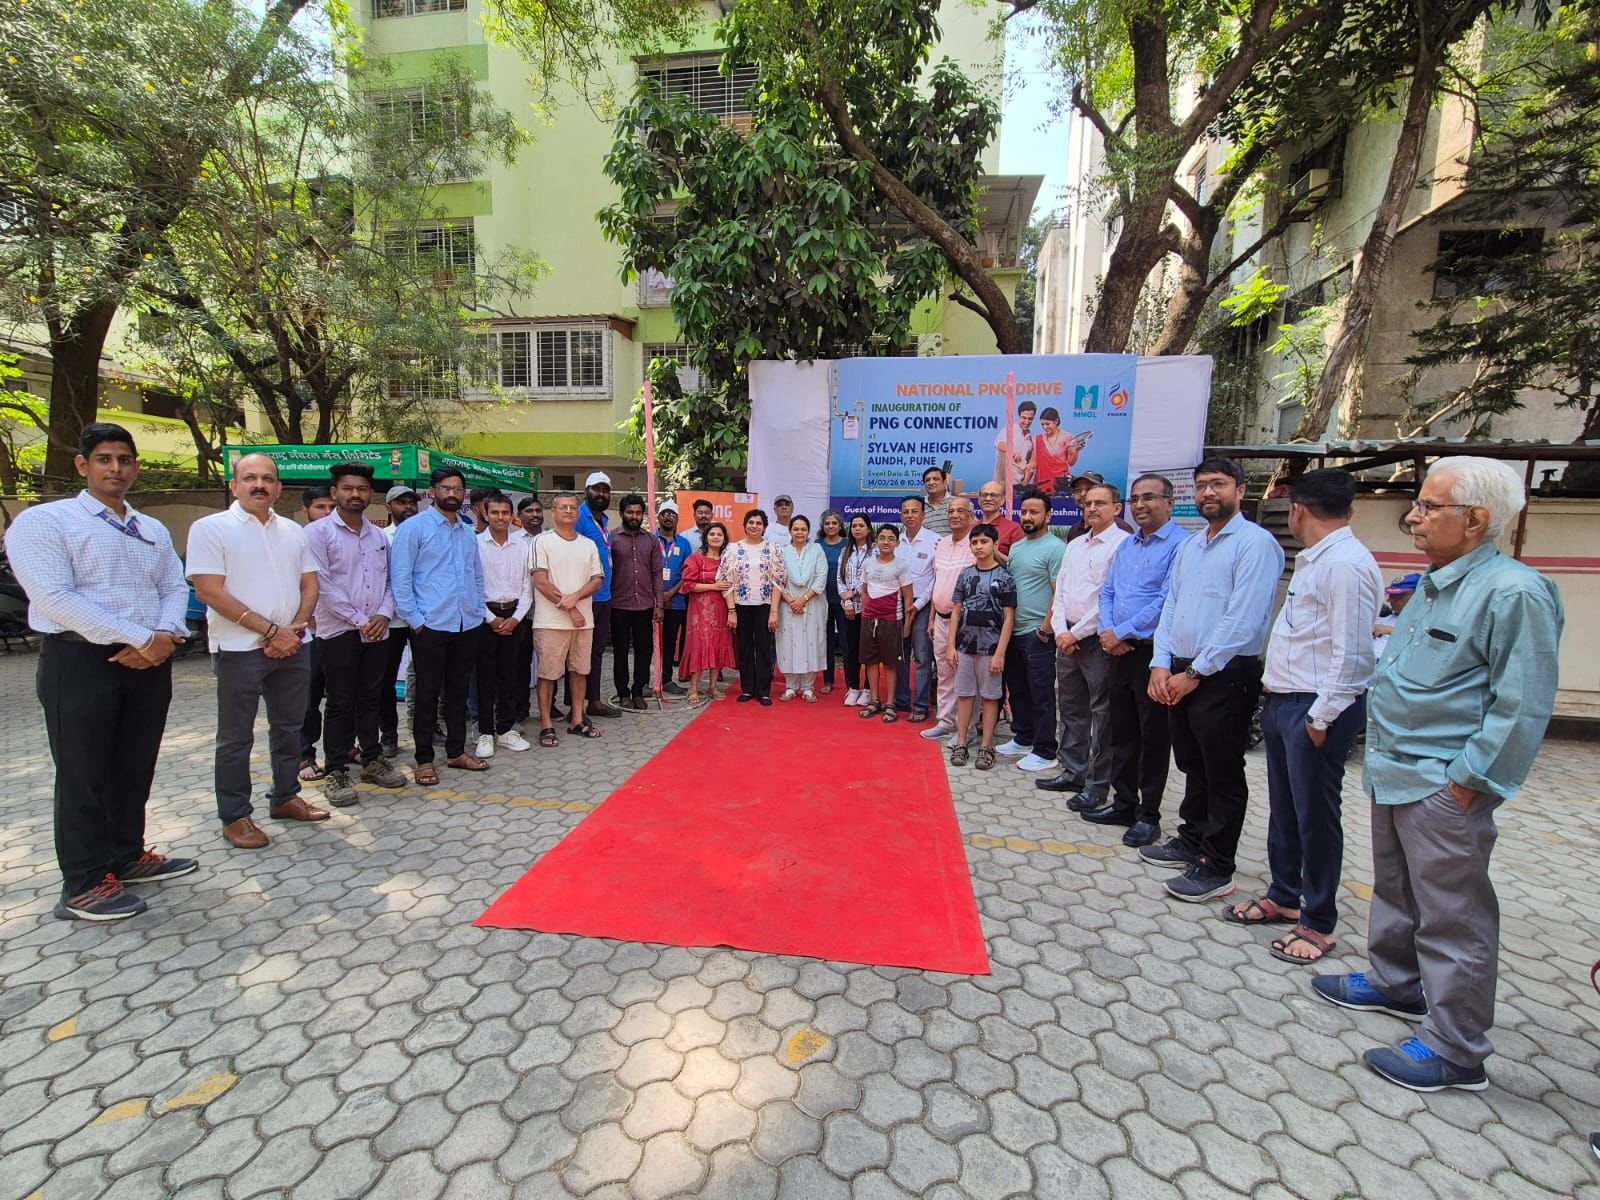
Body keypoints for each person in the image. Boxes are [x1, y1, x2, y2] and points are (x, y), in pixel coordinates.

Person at [1314, 457, 1563, 1093]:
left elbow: (1522, 704)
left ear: (1475, 519)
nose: (1415, 517)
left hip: (1443, 783)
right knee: (1396, 890)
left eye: (1429, 506)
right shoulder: (1435, 582)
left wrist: (1467, 782)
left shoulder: (1513, 592)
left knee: (1454, 916)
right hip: (1395, 768)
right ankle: (1396, 984)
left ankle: (1456, 1050)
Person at [7, 422, 195, 920]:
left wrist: (163, 635)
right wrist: (142, 638)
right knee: (83, 773)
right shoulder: (47, 522)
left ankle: (126, 854)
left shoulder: (150, 528)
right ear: (82, 465)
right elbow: (54, 597)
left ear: (136, 467)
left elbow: (173, 587)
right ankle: (83, 883)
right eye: (104, 459)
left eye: (124, 460)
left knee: (134, 765)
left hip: (150, 661)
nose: (116, 469)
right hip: (80, 661)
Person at [1226, 469, 1382, 964]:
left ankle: (1318, 922)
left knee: (1315, 816)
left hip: (1316, 706)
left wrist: (1322, 717)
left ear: (1297, 510)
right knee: (1287, 809)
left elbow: (1354, 653)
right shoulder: (1320, 559)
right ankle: (1285, 895)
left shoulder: (1346, 566)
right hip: (1286, 700)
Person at [1146, 456, 1285, 902]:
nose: (1209, 492)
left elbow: (1242, 620)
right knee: (1192, 761)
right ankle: (1191, 839)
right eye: (1202, 484)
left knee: (1222, 770)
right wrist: (1161, 663)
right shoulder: (1191, 546)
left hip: (1225, 673)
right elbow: (1171, 605)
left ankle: (1217, 864)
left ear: (1240, 490)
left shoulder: (1255, 544)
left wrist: (1195, 672)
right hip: (1181, 667)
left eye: (1219, 484)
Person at [188, 453, 324, 850]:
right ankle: (235, 816)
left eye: (267, 479)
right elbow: (209, 591)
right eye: (250, 478)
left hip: (294, 645)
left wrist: (294, 628)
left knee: (289, 727)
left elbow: (310, 584)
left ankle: (285, 796)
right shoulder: (210, 529)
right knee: (235, 737)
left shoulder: (293, 531)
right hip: (239, 649)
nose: (259, 485)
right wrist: (271, 632)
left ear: (279, 488)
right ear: (234, 485)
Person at [1092, 473, 1189, 846]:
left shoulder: (1181, 545)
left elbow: (1167, 599)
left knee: (1152, 738)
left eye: (1149, 497)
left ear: (1170, 502)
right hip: (1117, 650)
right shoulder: (1128, 545)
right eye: (1135, 499)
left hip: (1153, 653)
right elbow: (1108, 591)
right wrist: (1109, 631)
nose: (1141, 505)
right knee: (1122, 732)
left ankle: (1149, 816)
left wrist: (1122, 631)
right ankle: (1124, 803)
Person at [304, 462, 407, 808]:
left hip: (376, 630)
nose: (355, 495)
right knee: (340, 702)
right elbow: (321, 584)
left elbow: (390, 581)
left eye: (362, 489)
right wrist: (360, 619)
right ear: (335, 493)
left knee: (371, 697)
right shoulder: (318, 533)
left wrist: (383, 614)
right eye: (348, 488)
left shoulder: (378, 537)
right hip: (339, 632)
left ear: (370, 494)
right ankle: (335, 770)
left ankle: (372, 759)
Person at [390, 466, 489, 783]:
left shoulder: (466, 531)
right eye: (446, 488)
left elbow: (476, 575)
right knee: (427, 694)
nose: (452, 494)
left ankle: (456, 752)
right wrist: (417, 621)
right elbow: (400, 579)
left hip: (466, 623)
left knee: (457, 694)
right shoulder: (414, 529)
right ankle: (423, 759)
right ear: (432, 492)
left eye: (458, 489)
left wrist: (477, 610)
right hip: (430, 626)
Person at [1038, 483, 1131, 804]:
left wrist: (1075, 634)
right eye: (1088, 503)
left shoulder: (1123, 544)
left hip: (1097, 640)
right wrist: (1060, 630)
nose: (1092, 508)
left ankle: (1097, 783)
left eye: (1100, 503)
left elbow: (1109, 597)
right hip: (1067, 636)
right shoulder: (1076, 544)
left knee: (1102, 714)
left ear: (1116, 508)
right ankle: (1073, 771)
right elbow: (1061, 590)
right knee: (1071, 707)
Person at [530, 494, 606, 743]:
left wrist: (576, 597)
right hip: (551, 622)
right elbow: (541, 581)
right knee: (548, 674)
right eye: (563, 507)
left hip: (584, 623)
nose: (569, 511)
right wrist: (571, 608)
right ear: (553, 511)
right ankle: (546, 725)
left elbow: (597, 579)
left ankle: (577, 719)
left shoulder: (588, 544)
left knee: (580, 670)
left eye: (573, 507)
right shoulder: (542, 542)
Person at [1000, 489, 1067, 772]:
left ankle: (1045, 750)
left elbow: (1059, 592)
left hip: (1037, 632)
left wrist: (1045, 629)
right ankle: (1023, 737)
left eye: (1034, 512)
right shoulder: (1017, 547)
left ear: (1048, 516)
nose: (1027, 517)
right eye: (1024, 512)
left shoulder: (1056, 548)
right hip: (1013, 630)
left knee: (1041, 694)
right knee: (1018, 690)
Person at [946, 523, 1017, 770]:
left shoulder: (1005, 577)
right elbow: (956, 611)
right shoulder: (965, 575)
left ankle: (987, 745)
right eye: (974, 542)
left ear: (995, 545)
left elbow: (1009, 618)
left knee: (990, 697)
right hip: (965, 647)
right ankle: (962, 741)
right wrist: (951, 646)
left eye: (984, 542)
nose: (979, 546)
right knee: (964, 694)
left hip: (991, 648)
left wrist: (1000, 653)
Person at [475, 493, 534, 756]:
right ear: (485, 514)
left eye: (505, 513)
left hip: (513, 615)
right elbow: (471, 586)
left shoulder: (522, 546)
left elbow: (527, 588)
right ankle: (485, 733)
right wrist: (491, 619)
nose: (500, 518)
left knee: (509, 676)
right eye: (495, 513)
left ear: (512, 516)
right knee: (484, 678)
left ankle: (506, 729)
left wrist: (515, 619)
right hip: (484, 616)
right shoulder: (475, 545)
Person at [920, 497, 977, 743]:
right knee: (944, 671)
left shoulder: (975, 543)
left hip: (966, 622)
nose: (954, 515)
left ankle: (968, 729)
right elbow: (938, 582)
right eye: (951, 511)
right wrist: (932, 618)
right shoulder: (942, 544)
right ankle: (945, 721)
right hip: (941, 619)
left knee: (965, 674)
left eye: (960, 511)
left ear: (971, 516)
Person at [720, 510, 786, 706]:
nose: (754, 526)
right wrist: (731, 610)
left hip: (765, 606)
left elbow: (779, 580)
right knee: (745, 648)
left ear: (764, 527)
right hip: (741, 606)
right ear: (744, 525)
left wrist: (774, 611)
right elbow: (725, 580)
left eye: (758, 523)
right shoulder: (733, 549)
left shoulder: (773, 549)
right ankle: (748, 689)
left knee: (764, 648)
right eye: (751, 522)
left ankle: (763, 691)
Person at [296, 484, 336, 784]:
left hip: (341, 629)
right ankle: (304, 754)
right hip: (309, 633)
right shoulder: (297, 541)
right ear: (306, 510)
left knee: (343, 696)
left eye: (331, 507)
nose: (327, 513)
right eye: (320, 507)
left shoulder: (343, 538)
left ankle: (344, 748)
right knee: (308, 697)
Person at [610, 493, 664, 710]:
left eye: (638, 513)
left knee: (644, 651)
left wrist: (659, 604)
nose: (634, 516)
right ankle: (623, 693)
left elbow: (657, 573)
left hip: (645, 605)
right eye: (630, 512)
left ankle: (639, 691)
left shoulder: (651, 540)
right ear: (622, 513)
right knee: (620, 652)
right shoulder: (612, 538)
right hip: (618, 604)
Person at [856, 524, 914, 722]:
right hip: (869, 620)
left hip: (891, 621)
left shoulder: (901, 565)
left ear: (897, 543)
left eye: (891, 538)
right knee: (870, 661)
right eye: (882, 538)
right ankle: (874, 700)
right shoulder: (868, 564)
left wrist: (907, 624)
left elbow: (908, 596)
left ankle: (890, 703)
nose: (886, 542)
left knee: (890, 663)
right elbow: (865, 591)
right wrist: (866, 614)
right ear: (876, 541)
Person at [575, 471, 620, 719]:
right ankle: (577, 705)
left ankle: (593, 700)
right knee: (580, 653)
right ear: (586, 491)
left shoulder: (602, 520)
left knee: (596, 651)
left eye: (605, 490)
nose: (601, 494)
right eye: (596, 489)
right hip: (585, 597)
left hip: (604, 596)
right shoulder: (579, 518)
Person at [379, 484, 419, 758]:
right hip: (390, 619)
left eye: (411, 503)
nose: (408, 507)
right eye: (401, 503)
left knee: (425, 676)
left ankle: (422, 725)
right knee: (386, 678)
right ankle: (389, 733)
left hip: (420, 618)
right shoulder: (382, 537)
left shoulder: (423, 533)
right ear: (389, 506)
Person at [678, 521, 737, 704]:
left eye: (719, 534)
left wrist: (732, 609)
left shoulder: (727, 560)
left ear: (724, 539)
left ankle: (713, 686)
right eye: (712, 534)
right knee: (699, 645)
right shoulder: (696, 558)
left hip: (721, 608)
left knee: (718, 644)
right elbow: (688, 585)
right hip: (700, 611)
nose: (716, 537)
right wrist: (714, 586)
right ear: (706, 537)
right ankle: (693, 687)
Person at [894, 496, 939, 720]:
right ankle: (901, 700)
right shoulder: (895, 541)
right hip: (897, 605)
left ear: (923, 514)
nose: (910, 515)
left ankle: (921, 705)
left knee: (922, 657)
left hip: (923, 605)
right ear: (901, 515)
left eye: (914, 511)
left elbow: (937, 577)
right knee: (899, 654)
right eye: (906, 511)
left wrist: (918, 604)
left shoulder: (935, 541)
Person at [777, 514, 829, 702]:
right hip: (788, 604)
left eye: (803, 529)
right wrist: (790, 599)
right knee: (788, 642)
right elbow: (777, 578)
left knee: (811, 642)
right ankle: (790, 686)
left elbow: (821, 577)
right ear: (790, 531)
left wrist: (803, 599)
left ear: (808, 531)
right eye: (796, 529)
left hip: (812, 603)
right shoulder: (782, 551)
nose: (799, 532)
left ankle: (808, 687)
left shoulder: (817, 550)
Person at [837, 513, 875, 705]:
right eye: (854, 526)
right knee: (851, 649)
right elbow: (839, 578)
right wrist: (847, 602)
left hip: (869, 608)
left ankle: (868, 689)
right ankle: (853, 687)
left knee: (868, 650)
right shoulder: (846, 551)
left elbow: (872, 577)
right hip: (849, 609)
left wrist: (853, 593)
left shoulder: (875, 551)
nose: (857, 529)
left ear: (868, 529)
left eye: (861, 525)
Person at [656, 500, 691, 696]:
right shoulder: (650, 540)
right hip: (652, 602)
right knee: (647, 643)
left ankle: (667, 679)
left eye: (672, 514)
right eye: (665, 514)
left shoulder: (684, 543)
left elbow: (687, 574)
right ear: (659, 517)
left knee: (670, 642)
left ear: (677, 519)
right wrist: (658, 596)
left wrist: (670, 593)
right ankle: (644, 682)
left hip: (676, 601)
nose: (668, 518)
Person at [817, 509, 848, 694]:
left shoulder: (848, 544)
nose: (830, 526)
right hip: (822, 600)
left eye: (834, 523)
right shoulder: (817, 545)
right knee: (826, 642)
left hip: (844, 601)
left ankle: (851, 683)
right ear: (823, 526)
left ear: (840, 525)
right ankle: (828, 680)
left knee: (846, 642)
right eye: (827, 523)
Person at [1033, 408, 1083, 494]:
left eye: (1047, 424)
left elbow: (1071, 462)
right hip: (1042, 482)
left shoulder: (1066, 437)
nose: (1045, 427)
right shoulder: (1038, 439)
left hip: (1061, 483)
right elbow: (1033, 462)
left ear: (1056, 421)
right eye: (1042, 424)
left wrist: (1077, 450)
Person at [1371, 572, 1418, 660]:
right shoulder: (1386, 617)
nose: (1389, 600)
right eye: (1390, 595)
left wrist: (1392, 631)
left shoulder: (1428, 620)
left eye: (1398, 596)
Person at [973, 482, 1023, 562]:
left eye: (993, 495)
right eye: (984, 495)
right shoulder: (971, 527)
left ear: (1002, 500)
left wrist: (994, 552)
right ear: (979, 500)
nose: (988, 499)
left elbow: (1018, 563)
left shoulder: (1013, 528)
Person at [994, 399, 1037, 489]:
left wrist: (1026, 480)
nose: (1027, 422)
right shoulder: (1009, 430)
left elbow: (1029, 464)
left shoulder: (1030, 438)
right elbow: (999, 444)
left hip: (1019, 485)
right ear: (1019, 416)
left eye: (1030, 419)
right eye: (1024, 418)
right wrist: (1011, 450)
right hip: (1003, 483)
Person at [922, 466, 953, 536]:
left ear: (945, 482)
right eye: (927, 480)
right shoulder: (919, 505)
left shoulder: (959, 503)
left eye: (935, 479)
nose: (931, 482)